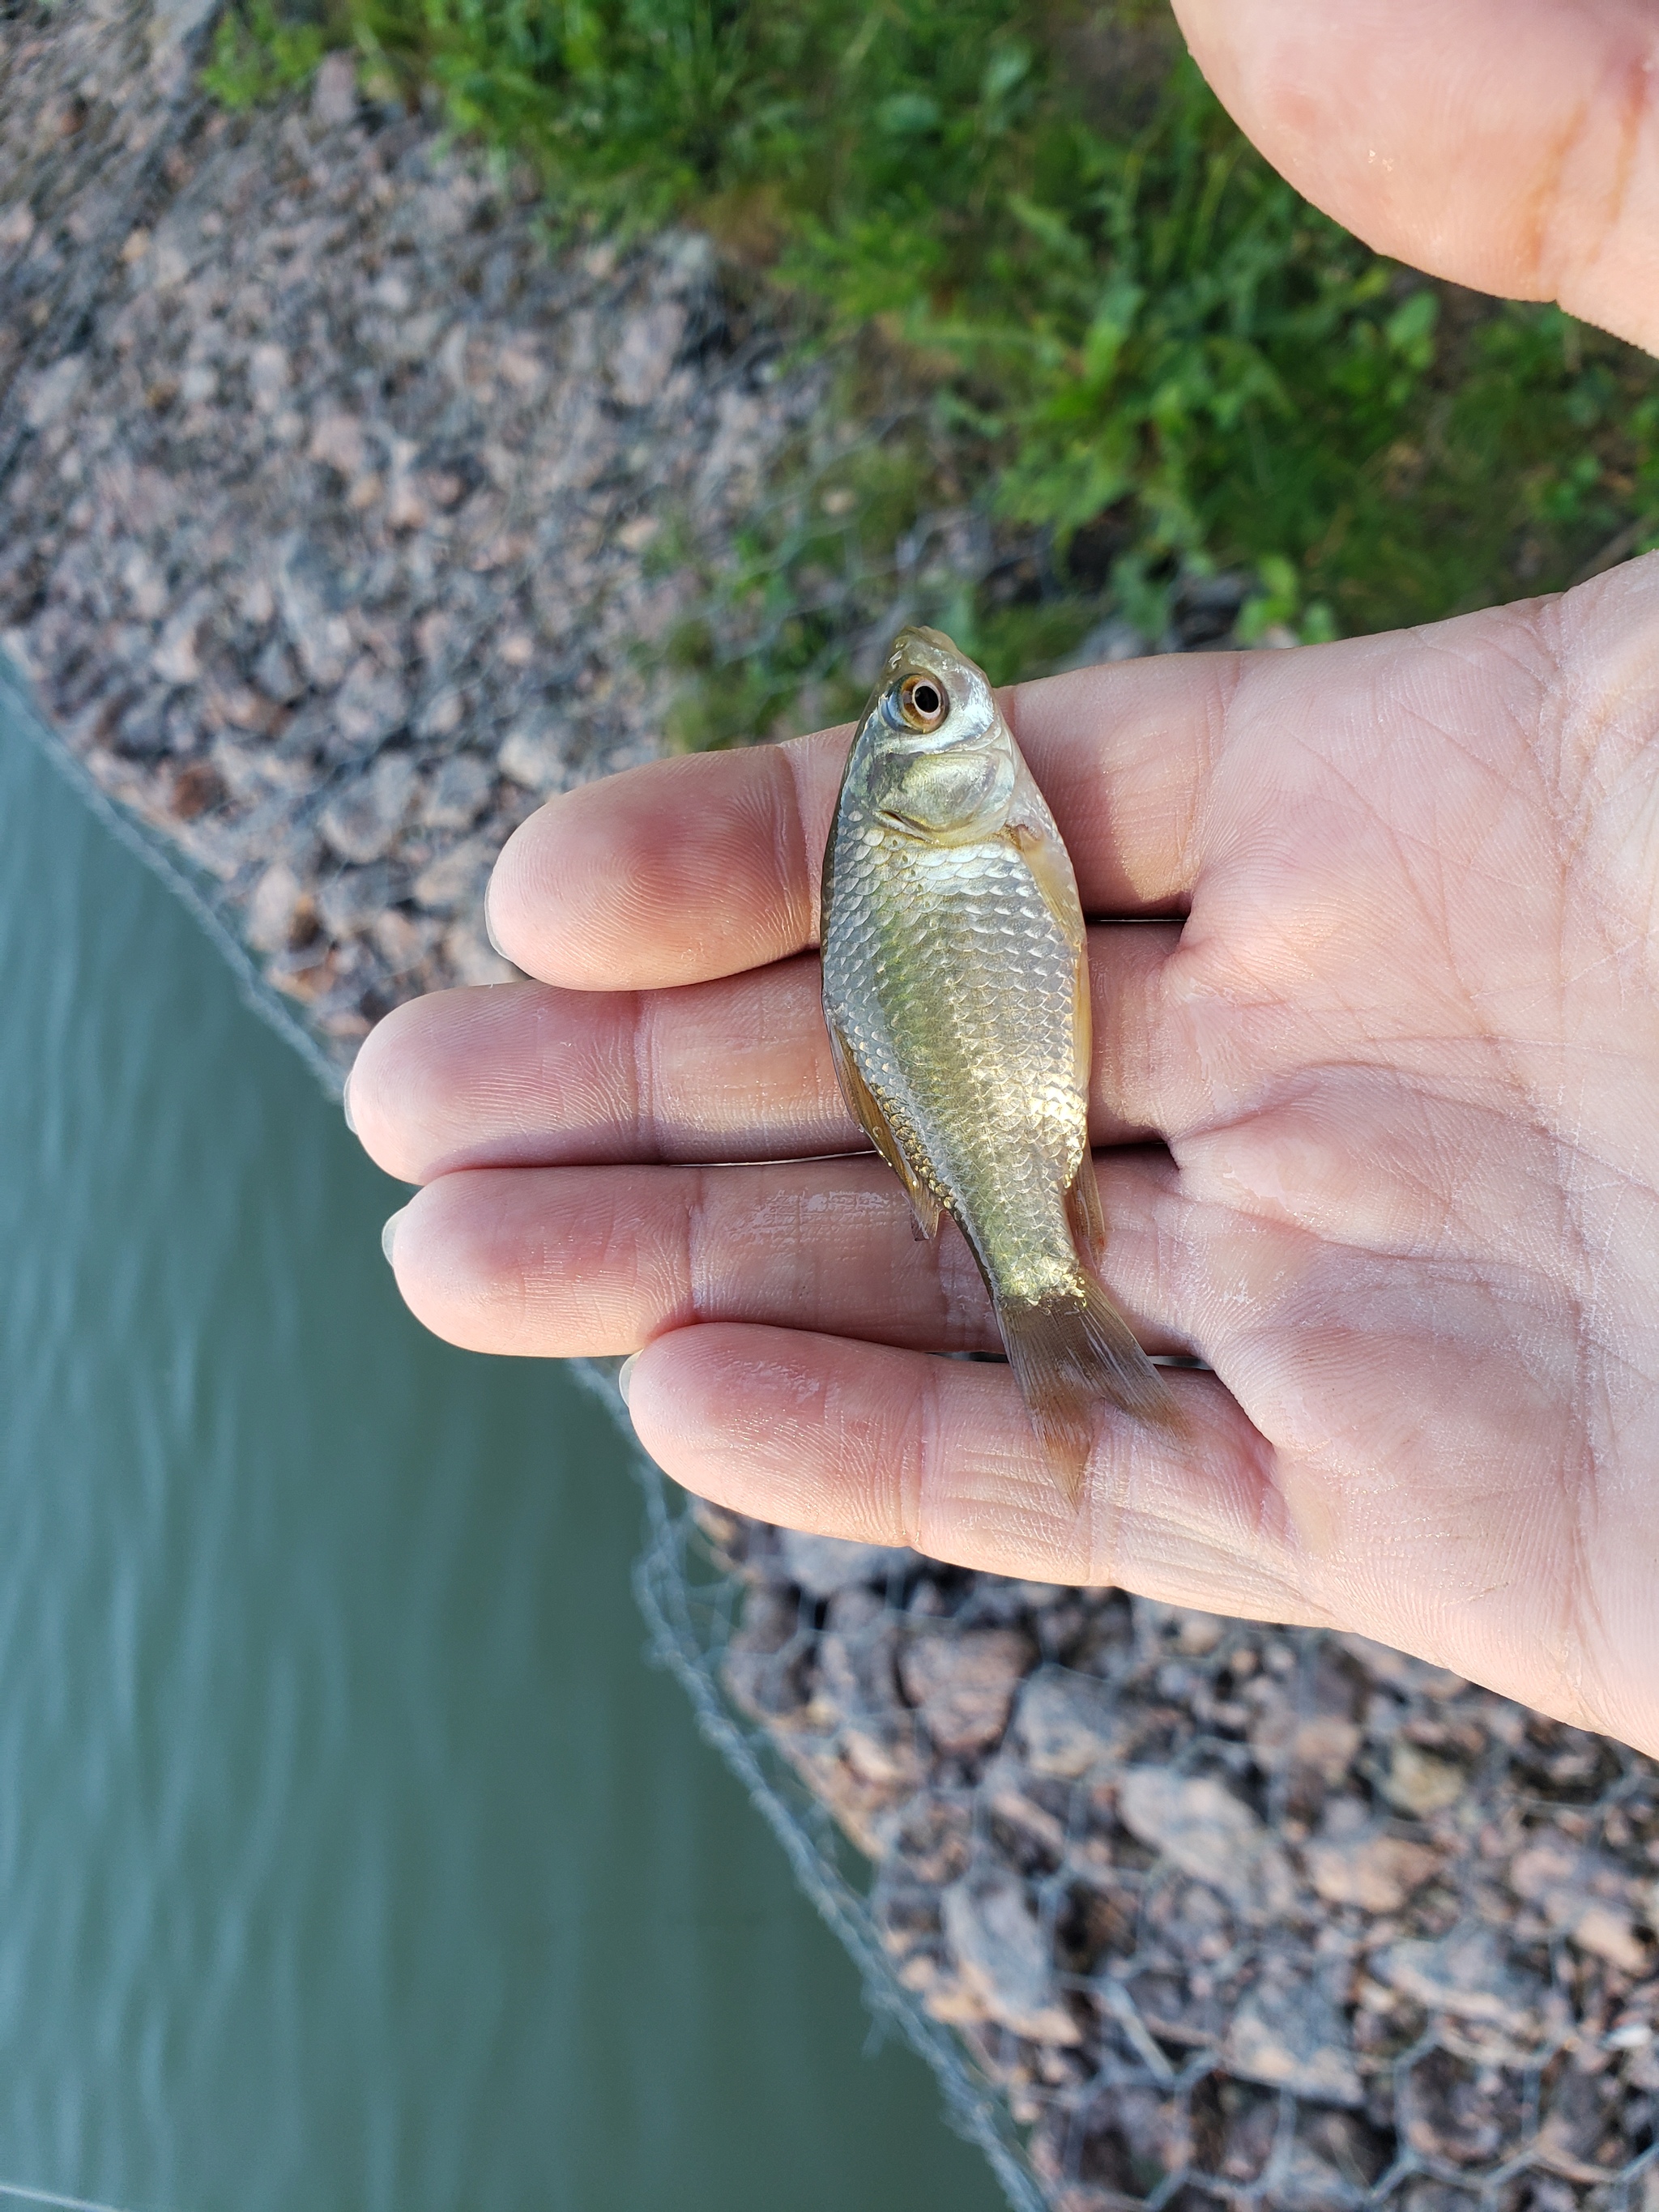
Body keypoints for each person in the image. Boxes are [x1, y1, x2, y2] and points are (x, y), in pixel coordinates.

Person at [348, 0, 1659, 1760]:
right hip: (1006, 1121)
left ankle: (1052, 1319)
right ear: (923, 761)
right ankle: (1046, 1305)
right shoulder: (936, 821)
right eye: (921, 706)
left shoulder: (946, 824)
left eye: (917, 704)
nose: (939, 691)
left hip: (995, 1090)